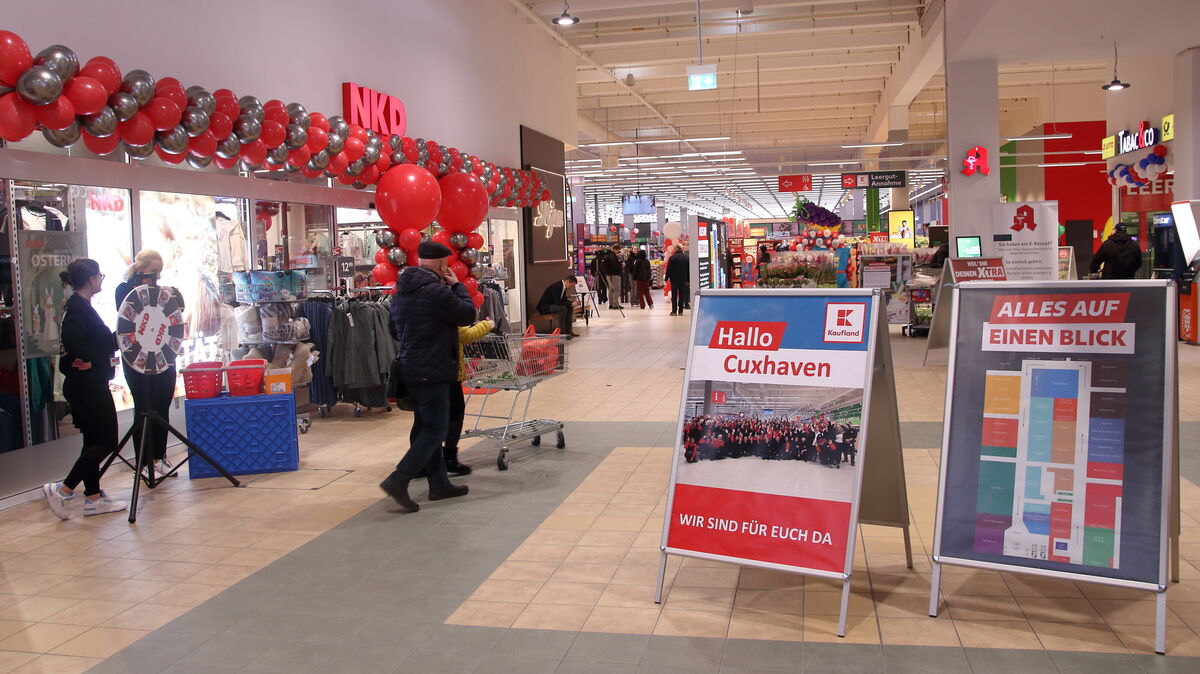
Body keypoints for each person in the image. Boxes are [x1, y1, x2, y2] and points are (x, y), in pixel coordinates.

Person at [380, 241, 476, 513]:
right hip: (433, 369)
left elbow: (395, 331)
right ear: (442, 264)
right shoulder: (436, 291)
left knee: (426, 427)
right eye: (447, 263)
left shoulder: (401, 293)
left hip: (411, 367)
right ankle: (398, 480)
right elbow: (468, 314)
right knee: (435, 429)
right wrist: (458, 286)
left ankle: (439, 484)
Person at [43, 259, 127, 519]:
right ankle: (64, 490)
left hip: (88, 382)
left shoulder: (81, 306)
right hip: (87, 385)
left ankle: (92, 498)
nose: (101, 279)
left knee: (93, 441)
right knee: (107, 441)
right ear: (91, 279)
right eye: (99, 275)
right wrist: (86, 357)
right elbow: (72, 340)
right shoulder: (78, 308)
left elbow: (94, 341)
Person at [115, 250, 176, 480]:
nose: (157, 276)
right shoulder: (124, 290)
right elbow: (128, 315)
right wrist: (140, 286)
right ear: (140, 269)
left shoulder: (161, 291)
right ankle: (143, 461)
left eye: (160, 272)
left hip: (163, 355)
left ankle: (159, 457)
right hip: (137, 358)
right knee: (144, 408)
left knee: (162, 406)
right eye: (153, 271)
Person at [665, 245, 690, 316]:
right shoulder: (686, 257)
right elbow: (688, 270)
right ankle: (681, 311)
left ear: (677, 248)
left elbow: (669, 269)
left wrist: (666, 278)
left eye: (675, 248)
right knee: (682, 295)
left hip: (674, 279)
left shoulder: (672, 257)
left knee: (674, 295)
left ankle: (674, 311)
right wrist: (688, 280)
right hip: (683, 279)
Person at [599, 243, 625, 310]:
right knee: (616, 289)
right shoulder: (613, 256)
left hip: (608, 275)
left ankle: (611, 304)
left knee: (611, 289)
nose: (619, 251)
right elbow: (615, 266)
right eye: (618, 249)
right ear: (615, 249)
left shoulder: (608, 255)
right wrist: (621, 265)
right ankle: (615, 304)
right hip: (614, 275)